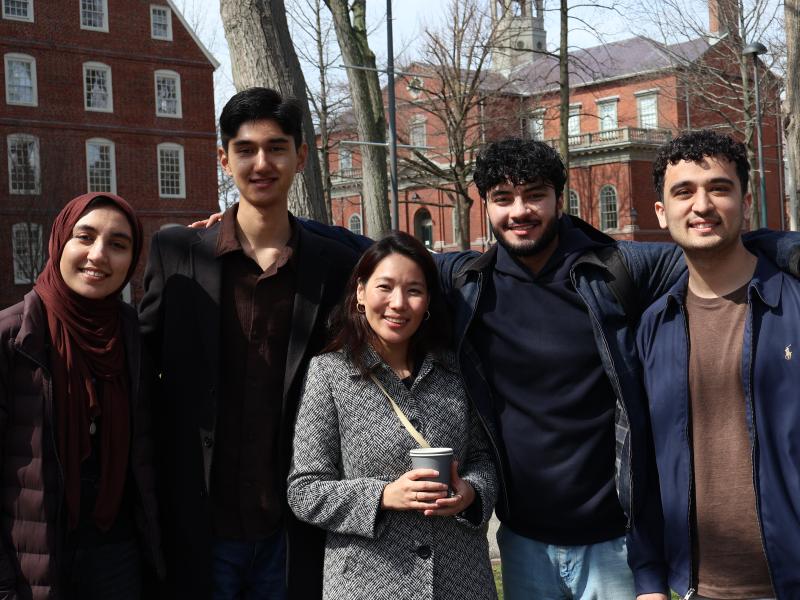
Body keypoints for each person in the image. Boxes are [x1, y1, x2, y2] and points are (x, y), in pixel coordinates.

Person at [293, 138, 800, 599]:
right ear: (484, 205)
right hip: (522, 542)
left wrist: (786, 246)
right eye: (503, 198)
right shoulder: (466, 281)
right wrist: (255, 222)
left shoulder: (618, 268)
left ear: (560, 199)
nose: (520, 211)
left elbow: (714, 239)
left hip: (614, 541)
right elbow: (374, 256)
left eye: (534, 195)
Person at [138, 87, 359, 600]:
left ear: (301, 156)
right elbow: (142, 366)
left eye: (277, 147)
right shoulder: (178, 253)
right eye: (246, 149)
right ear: (224, 158)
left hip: (291, 526)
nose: (262, 163)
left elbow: (397, 261)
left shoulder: (336, 265)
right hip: (200, 519)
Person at [631, 130, 799, 600]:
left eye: (719, 188)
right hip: (693, 588)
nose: (701, 205)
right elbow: (642, 464)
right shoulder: (653, 326)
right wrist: (649, 581)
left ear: (746, 204)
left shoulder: (796, 308)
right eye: (683, 192)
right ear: (661, 213)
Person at [286, 231, 497, 600]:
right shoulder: (330, 374)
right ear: (361, 292)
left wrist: (471, 493)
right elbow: (304, 490)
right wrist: (384, 495)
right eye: (385, 287)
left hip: (460, 580)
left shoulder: (455, 371)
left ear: (428, 300)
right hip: (367, 583)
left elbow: (483, 458)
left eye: (414, 290)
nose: (398, 303)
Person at [0, 192, 164, 599]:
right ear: (60, 241)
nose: (99, 255)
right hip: (32, 560)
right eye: (85, 237)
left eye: (118, 244)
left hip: (117, 556)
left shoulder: (134, 337)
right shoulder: (13, 336)